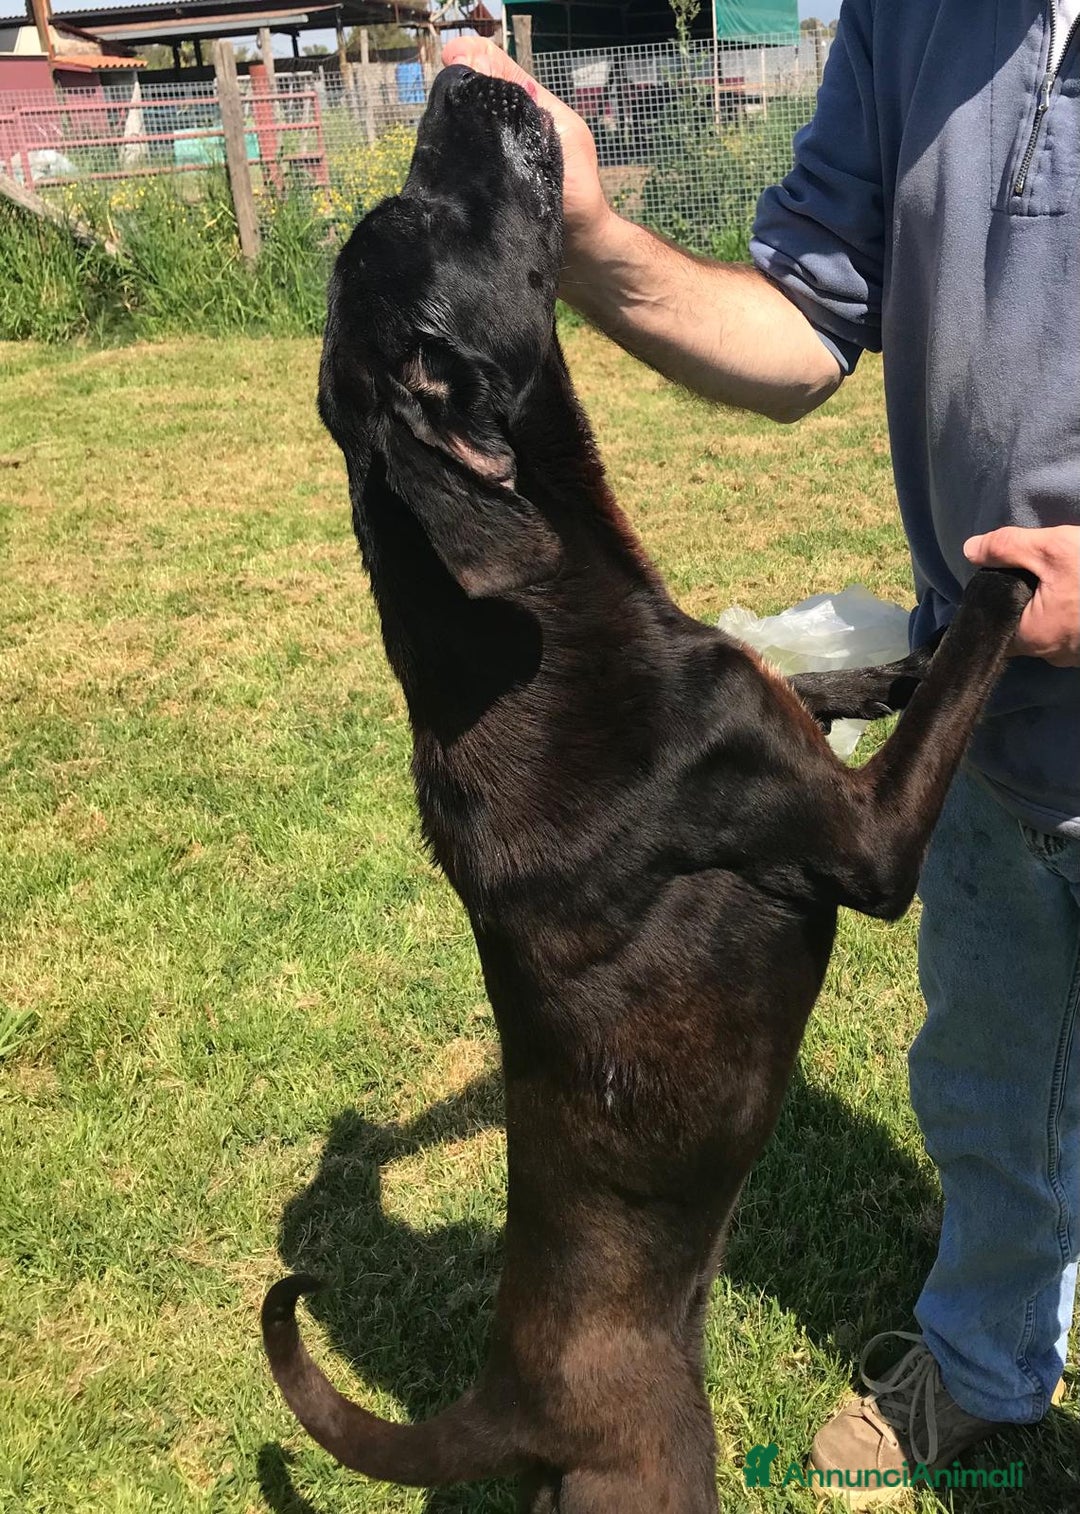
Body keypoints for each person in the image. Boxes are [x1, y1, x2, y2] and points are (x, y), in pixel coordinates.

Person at [445, 3, 1080, 1502]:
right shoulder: (919, 14)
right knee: (992, 1087)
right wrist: (586, 232)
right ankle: (990, 1362)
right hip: (991, 724)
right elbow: (801, 322)